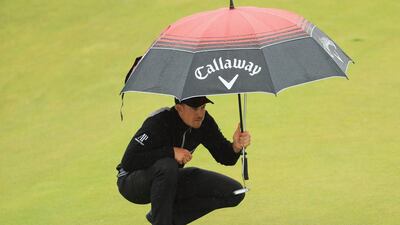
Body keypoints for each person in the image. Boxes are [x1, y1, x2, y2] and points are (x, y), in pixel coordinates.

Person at [116, 96, 251, 225]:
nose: (200, 114)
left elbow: (225, 157)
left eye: (203, 107)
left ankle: (165, 216)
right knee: (167, 165)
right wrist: (171, 152)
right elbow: (129, 161)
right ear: (179, 108)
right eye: (194, 108)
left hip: (168, 180)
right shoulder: (159, 121)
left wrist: (235, 147)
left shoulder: (204, 122)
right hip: (132, 183)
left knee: (234, 192)